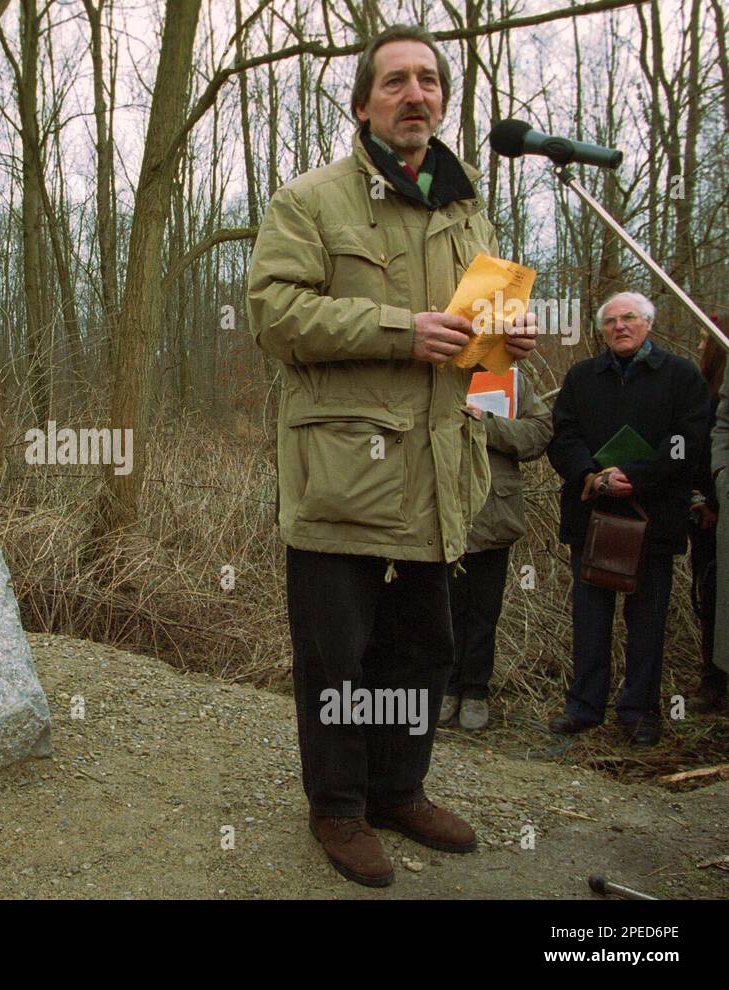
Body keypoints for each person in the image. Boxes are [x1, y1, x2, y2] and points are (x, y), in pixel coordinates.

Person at [247, 23, 537, 888]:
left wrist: (505, 347)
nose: (417, 95)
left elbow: (477, 356)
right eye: (397, 82)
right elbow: (274, 317)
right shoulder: (311, 200)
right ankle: (338, 808)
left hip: (442, 476)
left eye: (430, 82)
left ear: (444, 100)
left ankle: (397, 788)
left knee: (421, 649)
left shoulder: (469, 207)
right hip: (344, 474)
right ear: (363, 103)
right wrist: (397, 329)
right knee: (338, 654)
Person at [546, 292, 708, 747]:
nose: (620, 326)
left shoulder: (681, 376)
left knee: (647, 620)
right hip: (592, 516)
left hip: (653, 519)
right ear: (602, 330)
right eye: (612, 320)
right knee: (590, 618)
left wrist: (634, 475)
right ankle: (584, 707)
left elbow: (687, 442)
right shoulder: (582, 377)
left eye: (629, 318)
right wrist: (591, 476)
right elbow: (564, 436)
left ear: (648, 324)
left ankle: (639, 713)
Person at [441, 370, 552, 730]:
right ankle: (445, 686)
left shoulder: (511, 378)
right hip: (438, 509)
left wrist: (485, 424)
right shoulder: (434, 370)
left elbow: (538, 434)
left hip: (493, 512)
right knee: (442, 606)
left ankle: (475, 691)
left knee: (483, 610)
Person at [689, 326, 725, 713]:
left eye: (705, 338)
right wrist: (703, 500)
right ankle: (713, 680)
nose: (700, 344)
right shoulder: (704, 393)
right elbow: (698, 450)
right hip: (708, 518)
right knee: (711, 595)